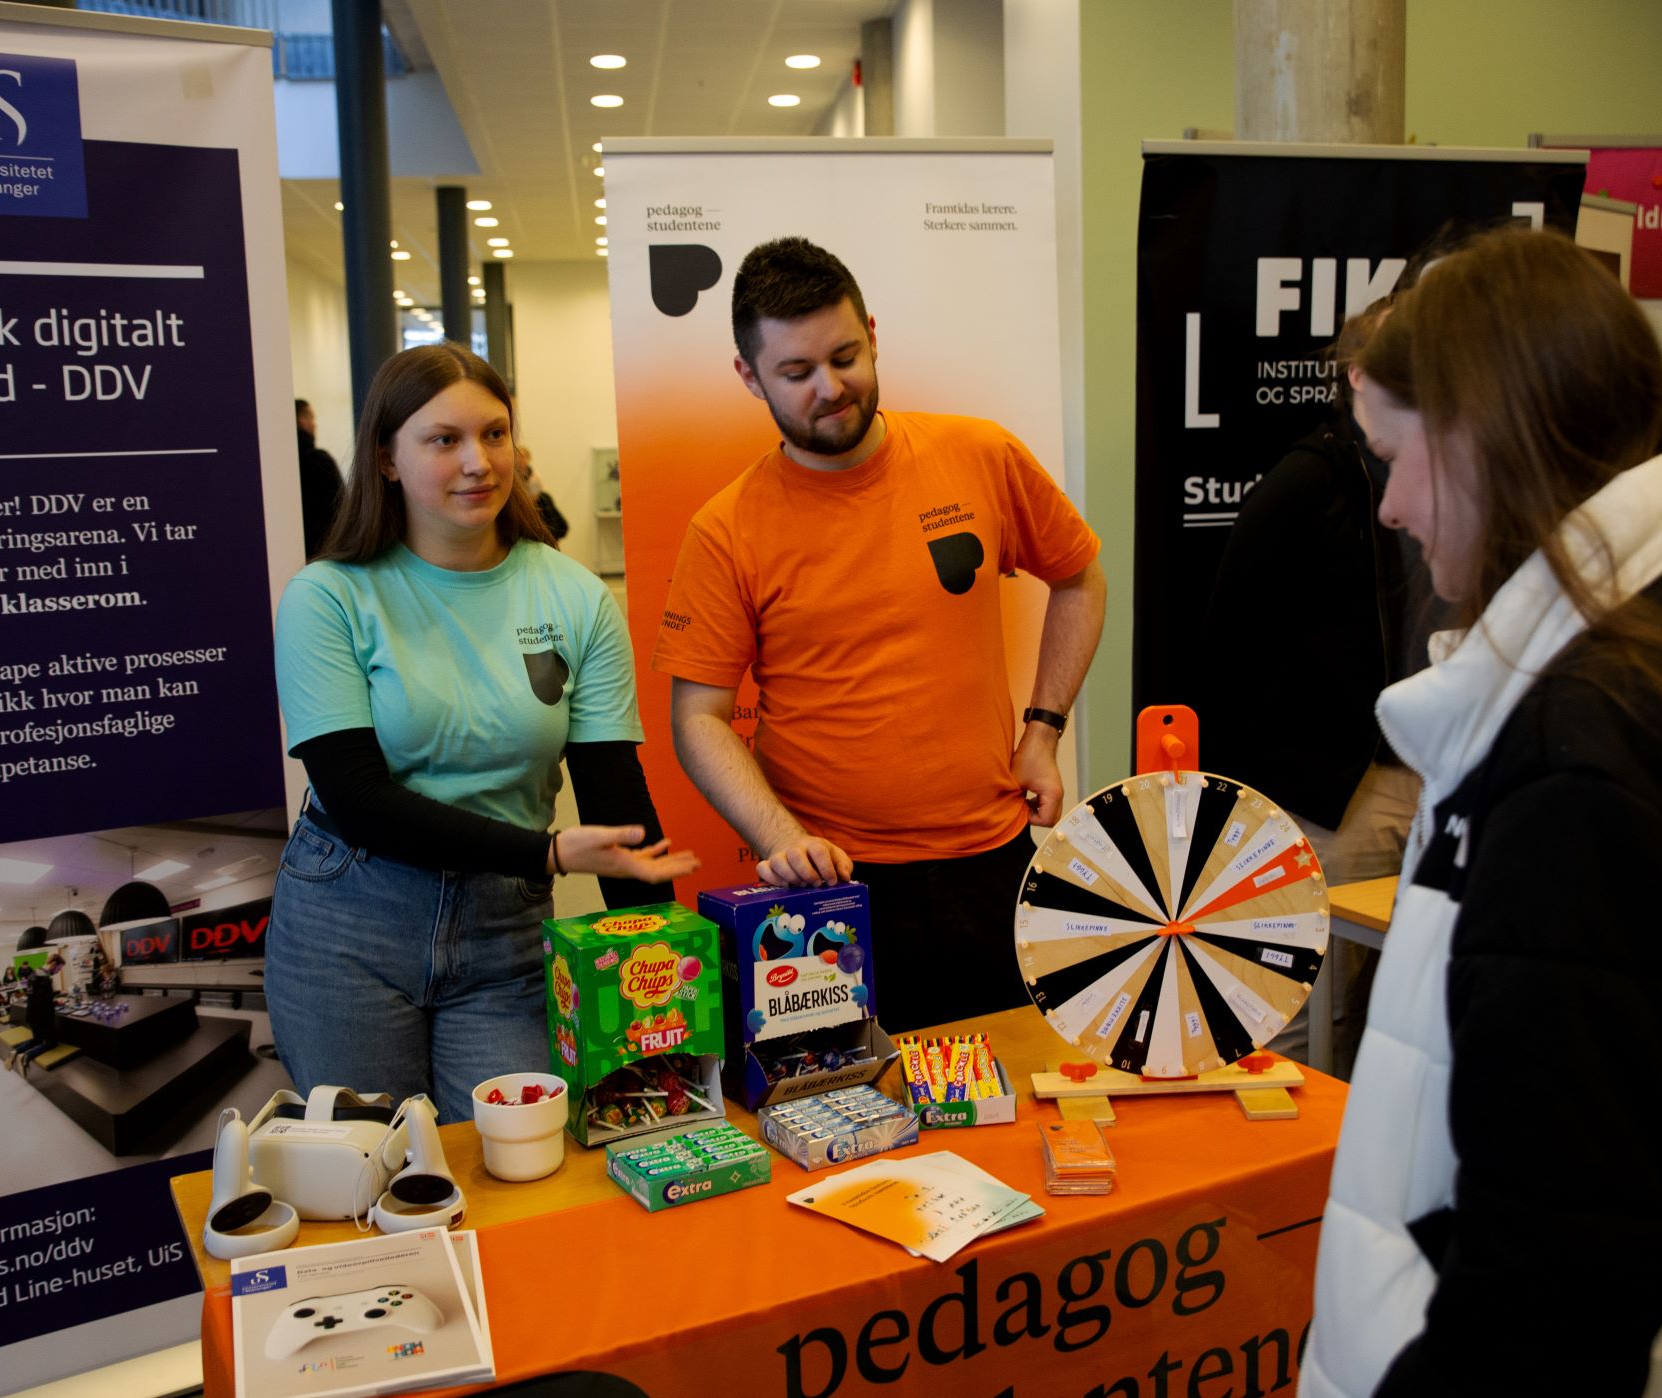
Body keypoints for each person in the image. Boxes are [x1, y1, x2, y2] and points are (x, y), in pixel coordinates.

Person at [1303, 227, 1662, 1398]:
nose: (1390, 510)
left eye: (1396, 459)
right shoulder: (1628, 655)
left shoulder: (1583, 754)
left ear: (1479, 435)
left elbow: (1559, 1273)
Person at [652, 237, 1106, 1031]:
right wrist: (779, 838)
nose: (831, 388)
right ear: (749, 376)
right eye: (796, 374)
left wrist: (1044, 731)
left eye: (846, 355)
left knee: (1004, 1108)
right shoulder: (726, 528)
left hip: (990, 863)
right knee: (838, 1128)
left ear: (870, 329)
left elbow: (1079, 577)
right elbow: (697, 717)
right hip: (828, 895)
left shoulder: (979, 454)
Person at [268, 342, 698, 1123]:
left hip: (505, 936)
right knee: (370, 1169)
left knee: (517, 1160)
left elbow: (614, 794)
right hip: (351, 924)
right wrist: (547, 852)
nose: (479, 462)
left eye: (494, 434)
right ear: (388, 459)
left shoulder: (574, 596)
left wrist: (665, 962)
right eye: (445, 440)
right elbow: (358, 799)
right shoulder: (327, 598)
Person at [1195, 301, 1426, 1073]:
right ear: (1358, 376)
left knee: (1388, 1018)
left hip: (1424, 775)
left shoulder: (1448, 472)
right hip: (1333, 794)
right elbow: (1229, 644)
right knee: (1301, 1017)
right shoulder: (1308, 481)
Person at [296, 398, 342, 560]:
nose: (314, 424)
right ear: (302, 421)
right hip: (323, 552)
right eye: (311, 418)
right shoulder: (319, 462)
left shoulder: (279, 466)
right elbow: (341, 510)